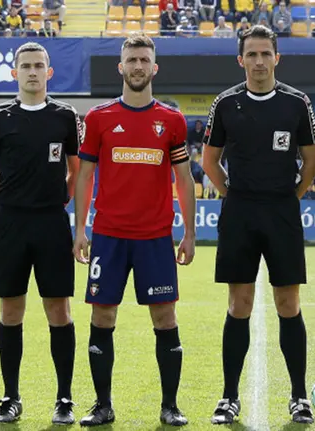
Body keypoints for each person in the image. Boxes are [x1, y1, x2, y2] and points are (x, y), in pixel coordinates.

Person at [72, 34, 196, 427]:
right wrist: (80, 229)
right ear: (120, 67)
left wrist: (189, 232)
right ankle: (103, 406)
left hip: (155, 238)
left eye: (144, 59)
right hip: (108, 236)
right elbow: (85, 177)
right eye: (131, 60)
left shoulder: (173, 121)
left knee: (165, 318)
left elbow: (184, 179)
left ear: (154, 67)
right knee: (102, 317)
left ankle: (170, 406)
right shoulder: (98, 119)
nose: (138, 66)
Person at [201, 24, 315, 425]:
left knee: (289, 304)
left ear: (276, 58)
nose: (258, 61)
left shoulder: (296, 102)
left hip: (281, 212)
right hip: (240, 212)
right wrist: (231, 193)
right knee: (240, 305)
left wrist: (292, 195)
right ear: (241, 60)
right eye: (250, 54)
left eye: (265, 53)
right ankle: (229, 396)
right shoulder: (225, 103)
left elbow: (311, 160)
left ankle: (299, 397)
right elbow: (209, 161)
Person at [0, 42, 81, 425]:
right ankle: (10, 396)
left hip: (52, 222)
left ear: (49, 72)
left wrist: (59, 202)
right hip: (10, 223)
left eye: (39, 65)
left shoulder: (65, 117)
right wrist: (4, 199)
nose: (33, 72)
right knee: (11, 310)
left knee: (59, 310)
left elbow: (75, 169)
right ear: (15, 73)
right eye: (26, 66)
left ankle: (65, 398)